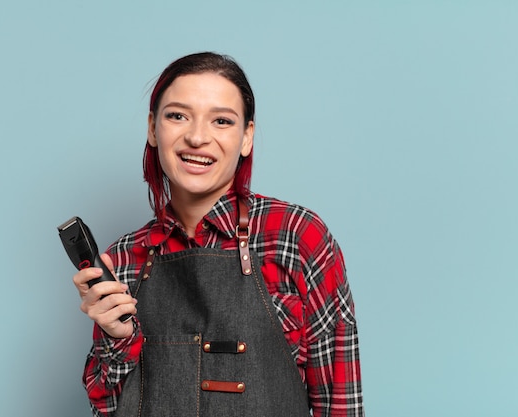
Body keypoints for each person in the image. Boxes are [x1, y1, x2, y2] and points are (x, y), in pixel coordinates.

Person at [72, 52, 364, 417]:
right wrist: (116, 337)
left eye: (221, 121)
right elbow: (107, 406)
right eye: (177, 116)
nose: (197, 137)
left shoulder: (296, 237)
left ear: (246, 138)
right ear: (152, 128)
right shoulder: (126, 257)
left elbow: (341, 404)